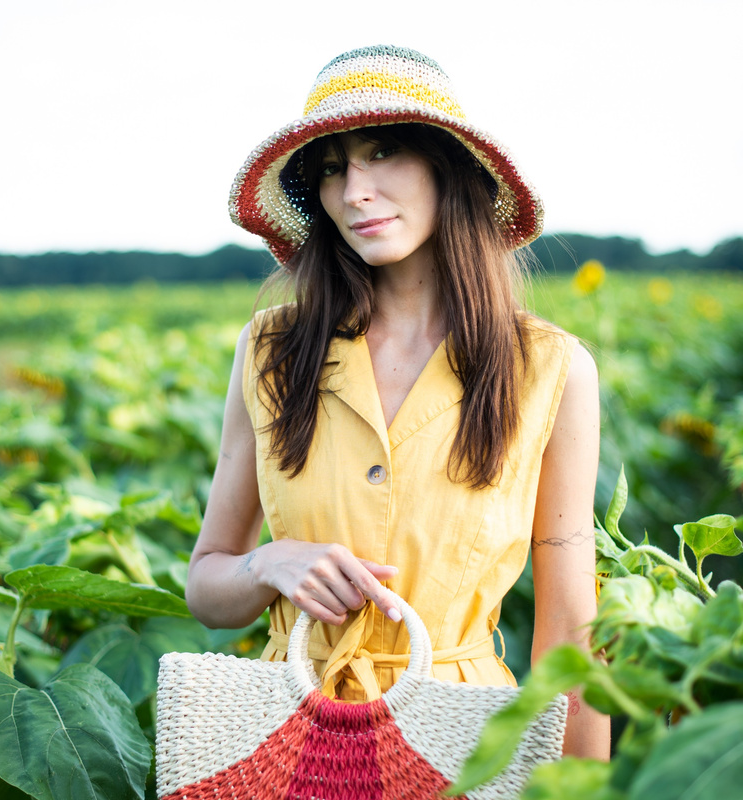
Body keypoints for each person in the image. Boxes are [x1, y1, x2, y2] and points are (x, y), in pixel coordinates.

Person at [186, 44, 610, 758]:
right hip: (289, 738)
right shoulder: (271, 349)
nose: (354, 191)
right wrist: (270, 563)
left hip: (460, 741)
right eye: (331, 167)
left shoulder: (551, 369)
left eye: (382, 152)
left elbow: (569, 628)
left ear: (449, 168)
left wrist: (584, 787)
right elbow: (207, 587)